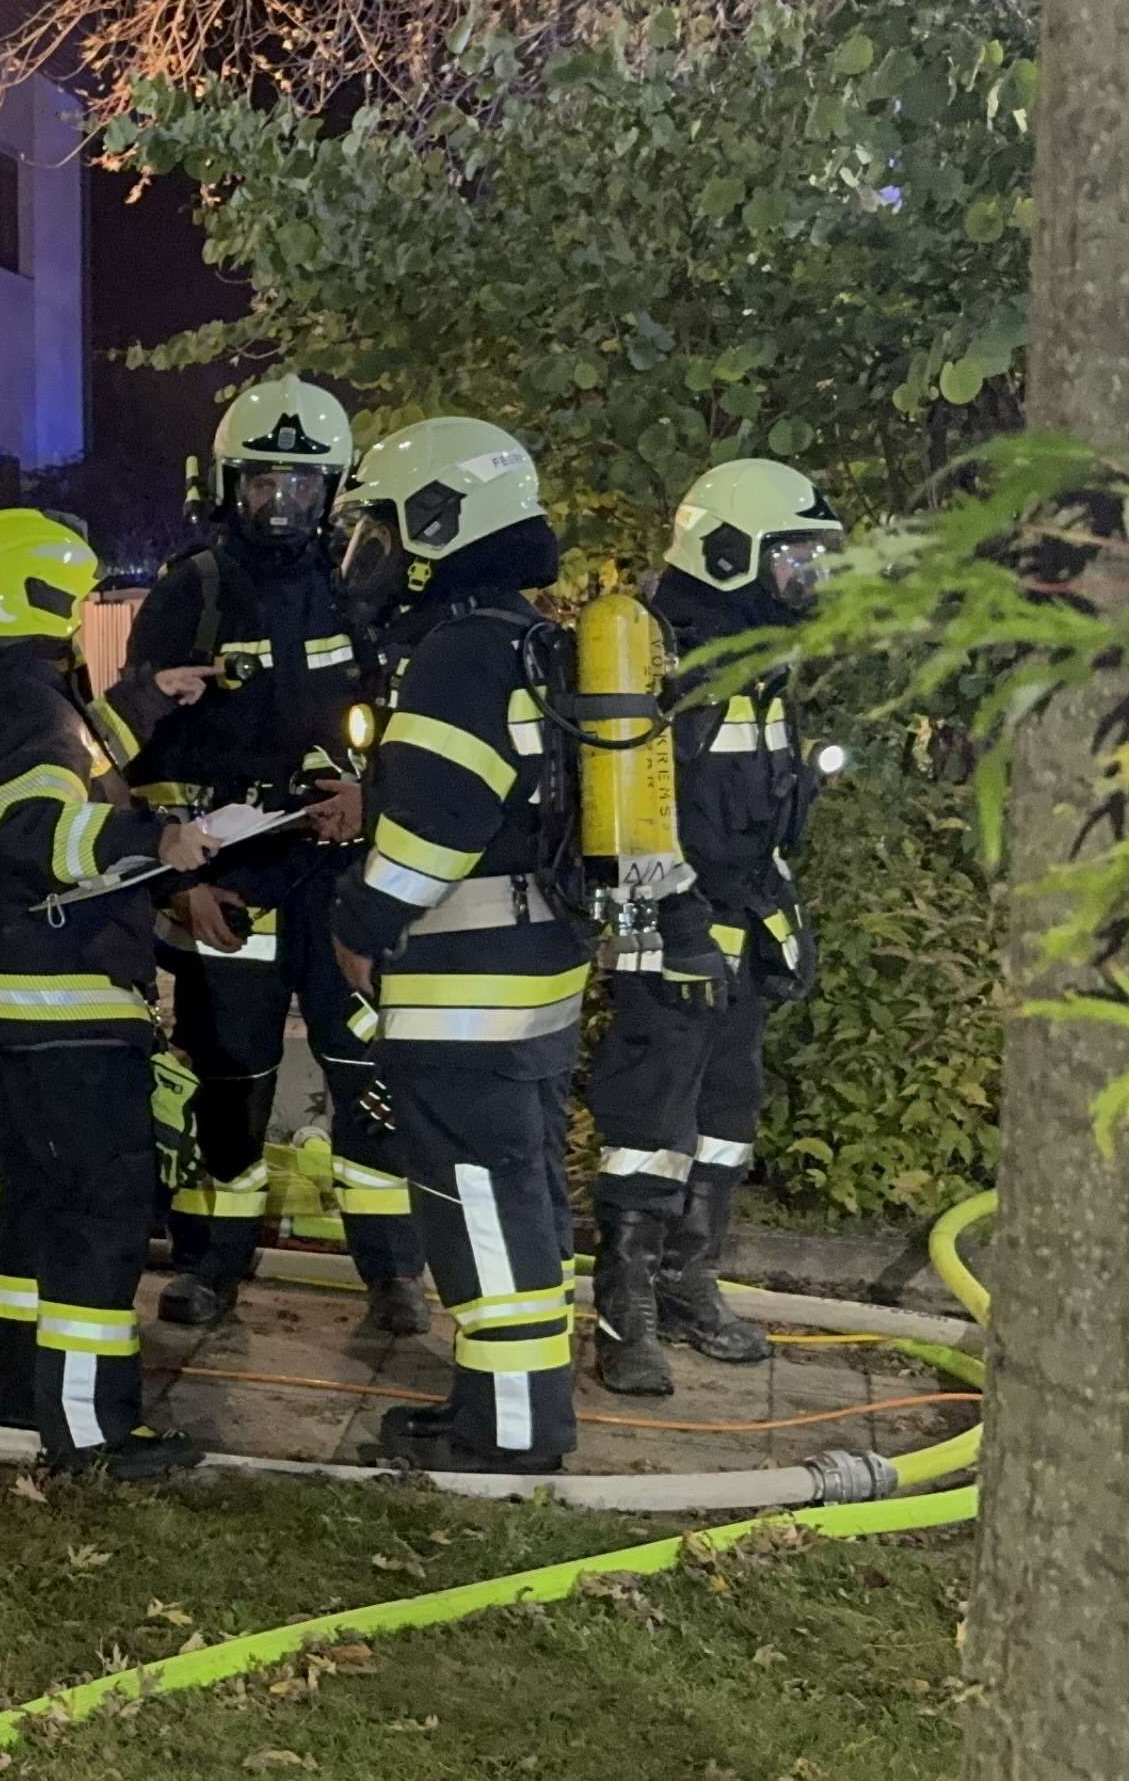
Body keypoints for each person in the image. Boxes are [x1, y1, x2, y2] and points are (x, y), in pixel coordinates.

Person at [101, 377, 428, 1337]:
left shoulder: (361, 589)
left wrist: (372, 799)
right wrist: (182, 884)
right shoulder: (191, 590)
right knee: (229, 1080)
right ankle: (210, 1265)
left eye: (302, 487)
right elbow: (141, 753)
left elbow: (412, 725)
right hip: (229, 888)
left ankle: (392, 1272)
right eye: (264, 486)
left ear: (334, 493)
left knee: (365, 1072)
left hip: (340, 884)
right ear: (227, 485)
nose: (282, 506)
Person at [327, 417, 595, 1477]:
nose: (366, 556)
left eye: (379, 532)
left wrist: (358, 923)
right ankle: (503, 1399)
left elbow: (432, 835)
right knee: (519, 1190)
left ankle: (511, 1433)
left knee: (480, 1199)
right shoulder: (534, 640)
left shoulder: (455, 656)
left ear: (440, 525)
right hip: (535, 971)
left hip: (464, 989)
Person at [0, 508, 211, 1475]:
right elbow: (42, 826)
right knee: (97, 1218)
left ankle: (22, 1392)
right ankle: (90, 1435)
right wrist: (155, 842)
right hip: (60, 1011)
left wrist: (145, 699)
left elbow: (64, 757)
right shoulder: (28, 709)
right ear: (36, 598)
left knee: (22, 1213)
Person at [584, 459, 845, 1395]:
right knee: (650, 1120)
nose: (808, 577)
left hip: (741, 919)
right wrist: (681, 927)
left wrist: (782, 908)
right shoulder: (672, 654)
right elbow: (638, 814)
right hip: (671, 928)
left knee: (726, 1117)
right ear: (732, 553)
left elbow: (761, 807)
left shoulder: (761, 653)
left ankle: (693, 1278)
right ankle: (627, 1314)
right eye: (796, 558)